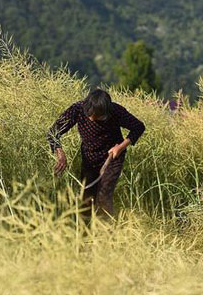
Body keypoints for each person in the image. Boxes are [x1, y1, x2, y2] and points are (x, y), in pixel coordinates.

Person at [47, 88, 146, 221]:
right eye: (90, 115)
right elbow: (53, 133)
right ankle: (85, 235)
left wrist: (120, 147)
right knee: (86, 199)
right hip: (89, 158)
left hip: (112, 158)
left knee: (104, 196)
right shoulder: (77, 109)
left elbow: (139, 127)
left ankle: (107, 233)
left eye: (97, 116)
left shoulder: (115, 111)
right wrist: (60, 154)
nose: (92, 119)